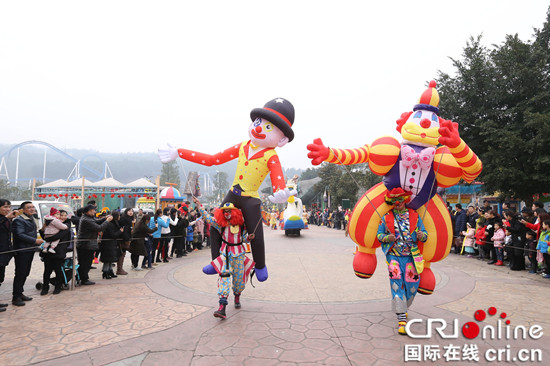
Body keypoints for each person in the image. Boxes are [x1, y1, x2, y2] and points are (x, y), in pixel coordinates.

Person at [376, 188, 428, 335]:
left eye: (399, 201)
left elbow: (425, 235)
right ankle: (401, 318)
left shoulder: (415, 216)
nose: (397, 204)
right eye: (394, 202)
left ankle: (403, 307)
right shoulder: (386, 217)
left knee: (412, 285)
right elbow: (379, 235)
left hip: (411, 256)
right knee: (396, 283)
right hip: (394, 256)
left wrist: (421, 235)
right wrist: (388, 238)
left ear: (405, 200)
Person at [193, 197, 255, 319]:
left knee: (238, 280)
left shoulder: (242, 226)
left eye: (229, 211)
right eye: (225, 211)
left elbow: (243, 239)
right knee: (224, 278)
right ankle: (222, 307)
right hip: (226, 255)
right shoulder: (220, 224)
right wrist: (199, 205)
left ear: (235, 212)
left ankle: (237, 296)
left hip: (239, 255)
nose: (227, 213)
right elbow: (207, 218)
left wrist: (248, 238)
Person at [11, 201, 44, 306]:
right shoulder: (19, 220)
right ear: (23, 210)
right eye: (29, 207)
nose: (32, 209)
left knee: (25, 273)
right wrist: (35, 241)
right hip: (22, 250)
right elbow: (20, 234)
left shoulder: (31, 218)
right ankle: (16, 297)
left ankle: (20, 293)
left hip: (29, 249)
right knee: (20, 273)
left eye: (33, 207)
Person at [77, 204, 112, 285]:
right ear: (89, 211)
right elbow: (99, 228)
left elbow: (96, 221)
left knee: (85, 262)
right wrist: (107, 221)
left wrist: (104, 218)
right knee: (85, 263)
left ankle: (81, 277)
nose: (95, 212)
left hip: (87, 245)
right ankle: (84, 279)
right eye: (93, 210)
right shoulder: (86, 220)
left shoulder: (88, 218)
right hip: (85, 245)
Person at [0, 199, 17, 311]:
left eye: (9, 207)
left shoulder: (7, 220)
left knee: (0, 277)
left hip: (5, 252)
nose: (7, 209)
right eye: (5, 207)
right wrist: (6, 218)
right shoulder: (3, 219)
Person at [99, 211, 123, 279]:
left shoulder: (114, 223)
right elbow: (112, 235)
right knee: (108, 259)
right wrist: (120, 232)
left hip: (111, 244)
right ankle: (105, 272)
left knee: (110, 259)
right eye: (118, 216)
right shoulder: (110, 225)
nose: (119, 217)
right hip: (108, 244)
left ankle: (110, 271)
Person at [117, 208, 135, 275]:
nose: (131, 212)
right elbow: (125, 231)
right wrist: (127, 239)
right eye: (129, 211)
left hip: (124, 238)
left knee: (122, 254)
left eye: (132, 211)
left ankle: (120, 269)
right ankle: (119, 269)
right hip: (123, 239)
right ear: (126, 212)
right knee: (122, 254)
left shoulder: (128, 219)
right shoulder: (125, 219)